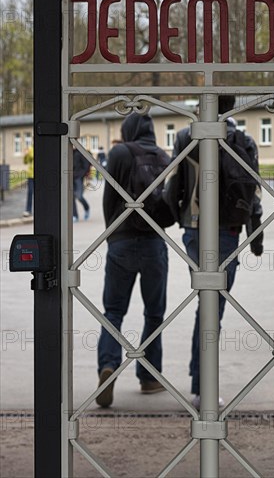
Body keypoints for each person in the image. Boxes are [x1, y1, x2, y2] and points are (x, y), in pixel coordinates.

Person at [171, 95, 263, 409]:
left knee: (205, 305)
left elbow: (175, 186)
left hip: (195, 229)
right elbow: (254, 190)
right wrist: (256, 232)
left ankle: (201, 385)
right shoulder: (245, 140)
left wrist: (174, 216)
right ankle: (203, 385)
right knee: (215, 309)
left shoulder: (186, 136)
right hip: (228, 231)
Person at [96, 113, 169, 407]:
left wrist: (113, 232)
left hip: (122, 241)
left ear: (128, 130)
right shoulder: (164, 156)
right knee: (154, 314)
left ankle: (109, 365)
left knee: (113, 310)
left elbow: (108, 198)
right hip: (154, 243)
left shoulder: (119, 152)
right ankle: (149, 378)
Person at [73, 147, 91, 221]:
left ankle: (87, 208)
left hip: (78, 178)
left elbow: (87, 164)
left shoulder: (80, 153)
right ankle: (74, 216)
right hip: (69, 177)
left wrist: (81, 174)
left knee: (79, 196)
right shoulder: (66, 151)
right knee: (71, 198)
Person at [22, 145, 34, 217]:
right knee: (30, 192)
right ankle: (28, 210)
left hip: (39, 174)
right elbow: (25, 162)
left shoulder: (40, 147)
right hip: (31, 175)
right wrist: (26, 155)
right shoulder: (30, 149)